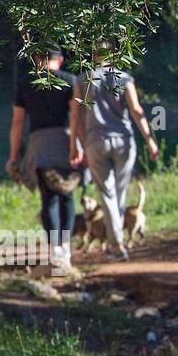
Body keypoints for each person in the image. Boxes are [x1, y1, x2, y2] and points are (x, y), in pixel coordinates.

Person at [69, 45, 160, 260]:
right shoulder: (124, 78)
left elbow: (75, 116)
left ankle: (116, 243)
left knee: (107, 193)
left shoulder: (83, 80)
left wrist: (76, 145)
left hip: (96, 141)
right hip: (124, 141)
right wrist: (150, 141)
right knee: (118, 192)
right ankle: (115, 242)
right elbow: (137, 111)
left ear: (92, 57)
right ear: (114, 56)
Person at [7, 46, 79, 272]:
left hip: (39, 145)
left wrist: (13, 157)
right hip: (64, 142)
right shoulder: (70, 81)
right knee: (67, 196)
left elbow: (18, 123)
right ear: (61, 59)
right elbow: (77, 116)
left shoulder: (26, 83)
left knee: (49, 198)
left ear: (37, 58)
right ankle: (65, 248)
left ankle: (54, 249)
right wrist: (78, 146)